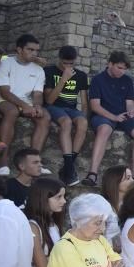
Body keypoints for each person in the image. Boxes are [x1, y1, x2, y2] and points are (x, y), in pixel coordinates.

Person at [83, 51, 134, 186]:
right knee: (104, 129)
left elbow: (129, 103)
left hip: (123, 116)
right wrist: (114, 117)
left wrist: (131, 113)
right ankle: (92, 173)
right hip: (103, 116)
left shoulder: (127, 80)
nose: (122, 72)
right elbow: (95, 106)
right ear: (110, 64)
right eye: (119, 68)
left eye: (124, 69)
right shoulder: (98, 80)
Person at [0, 34, 49, 177]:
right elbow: (4, 92)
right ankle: (3, 161)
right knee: (11, 112)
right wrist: (24, 105)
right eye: (30, 50)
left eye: (36, 50)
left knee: (44, 117)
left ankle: (34, 161)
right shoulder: (5, 64)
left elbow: (37, 94)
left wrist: (37, 106)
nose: (34, 54)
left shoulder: (38, 70)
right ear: (19, 49)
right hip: (5, 100)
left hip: (27, 102)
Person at [43, 45, 89, 186]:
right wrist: (63, 79)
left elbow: (84, 101)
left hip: (71, 109)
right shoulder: (49, 71)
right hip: (54, 106)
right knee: (66, 122)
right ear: (59, 59)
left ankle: (68, 166)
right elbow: (49, 100)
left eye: (71, 63)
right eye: (65, 63)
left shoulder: (81, 75)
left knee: (82, 123)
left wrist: (85, 115)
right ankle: (69, 169)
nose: (68, 66)